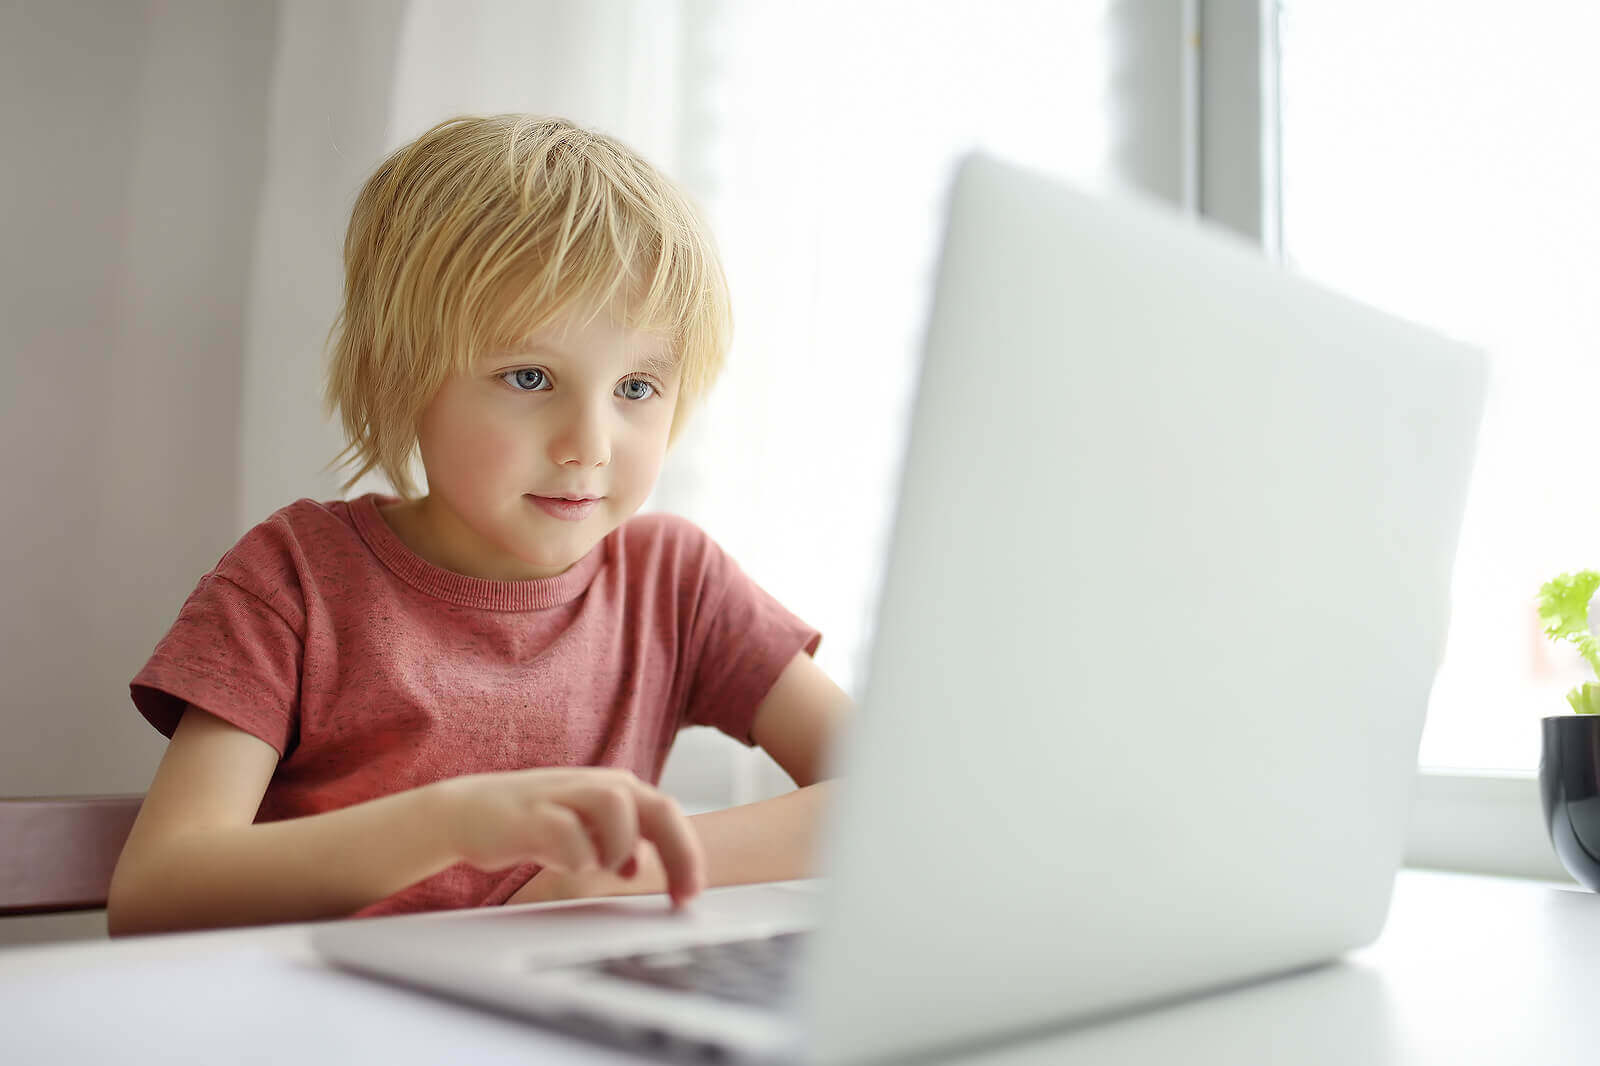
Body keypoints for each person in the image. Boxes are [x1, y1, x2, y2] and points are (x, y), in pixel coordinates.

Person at [106, 114, 852, 936]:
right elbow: (157, 892)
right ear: (404, 376)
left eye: (636, 388)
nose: (589, 447)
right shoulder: (297, 579)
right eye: (530, 376)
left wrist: (611, 875)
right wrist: (453, 825)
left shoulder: (675, 582)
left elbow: (897, 798)